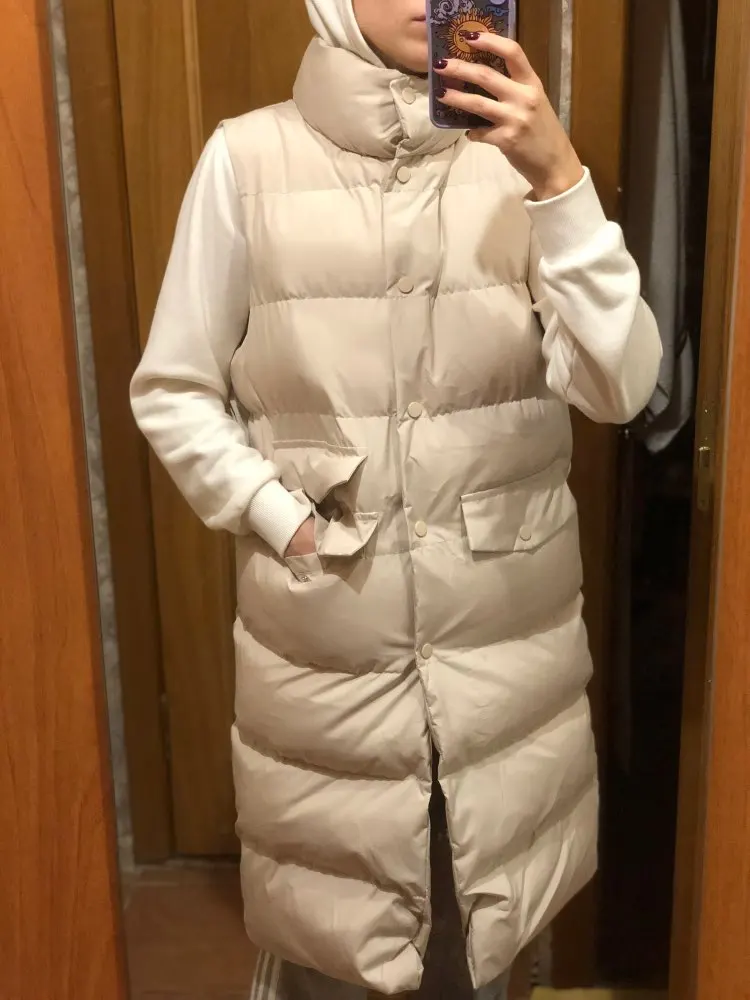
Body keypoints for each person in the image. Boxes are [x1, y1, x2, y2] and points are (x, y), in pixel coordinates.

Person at [130, 0, 662, 997]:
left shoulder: (524, 166)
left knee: (480, 942)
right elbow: (174, 388)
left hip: (506, 657)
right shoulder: (246, 161)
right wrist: (281, 517)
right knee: (334, 940)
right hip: (330, 649)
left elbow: (618, 386)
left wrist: (560, 181)